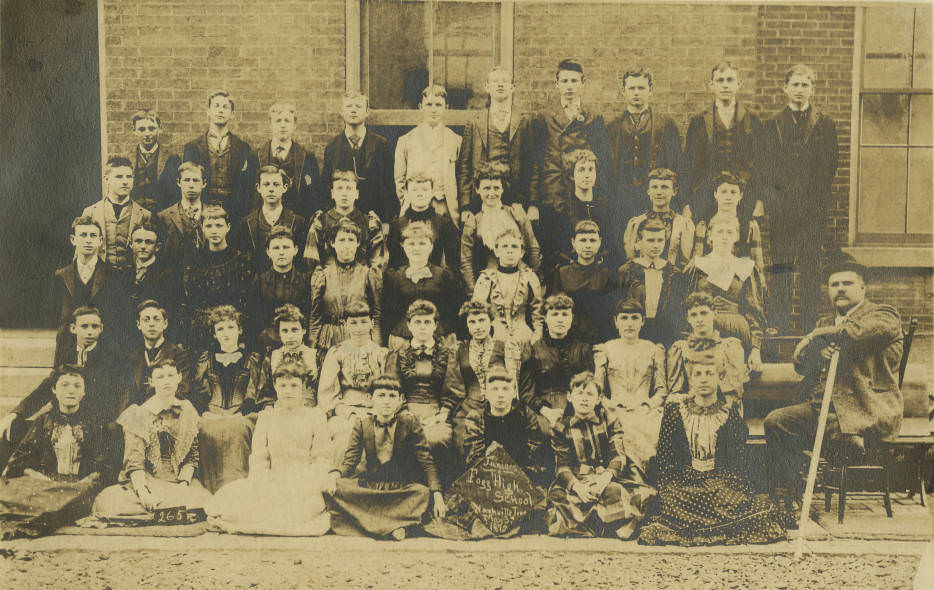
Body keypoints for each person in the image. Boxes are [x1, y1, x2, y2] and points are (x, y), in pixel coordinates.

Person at [764, 253, 904, 500]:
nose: (840, 289)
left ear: (863, 287)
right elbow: (801, 365)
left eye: (847, 284)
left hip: (867, 409)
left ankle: (841, 453)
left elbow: (856, 332)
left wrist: (814, 335)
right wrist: (818, 352)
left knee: (837, 433)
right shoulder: (827, 322)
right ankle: (798, 489)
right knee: (776, 421)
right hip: (824, 409)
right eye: (834, 285)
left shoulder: (884, 314)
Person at [639, 342, 786, 546]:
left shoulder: (728, 413)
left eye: (709, 373)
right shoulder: (676, 411)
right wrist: (669, 487)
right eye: (697, 374)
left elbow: (739, 460)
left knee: (745, 505)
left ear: (719, 378)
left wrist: (731, 487)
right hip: (685, 484)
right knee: (669, 500)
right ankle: (715, 525)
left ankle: (705, 524)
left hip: (718, 482)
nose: (703, 379)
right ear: (690, 378)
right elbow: (665, 457)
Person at [205, 360, 331, 536]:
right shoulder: (267, 417)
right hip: (273, 480)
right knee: (233, 504)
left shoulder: (315, 416)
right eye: (283, 385)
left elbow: (322, 457)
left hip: (304, 483)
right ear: (275, 386)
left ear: (303, 386)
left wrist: (312, 482)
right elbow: (259, 457)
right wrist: (261, 482)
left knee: (296, 514)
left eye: (294, 385)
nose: (288, 390)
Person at [0, 306, 131, 472]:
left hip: (94, 422)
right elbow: (47, 388)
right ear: (73, 328)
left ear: (101, 329)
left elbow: (120, 394)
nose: (90, 332)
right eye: (84, 327)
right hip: (62, 416)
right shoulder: (66, 353)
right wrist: (16, 413)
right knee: (11, 428)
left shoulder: (110, 358)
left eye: (94, 327)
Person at [762, 64, 839, 335]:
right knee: (781, 270)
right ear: (785, 89)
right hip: (781, 212)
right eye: (794, 84)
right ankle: (778, 327)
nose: (799, 90)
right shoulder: (771, 124)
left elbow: (830, 168)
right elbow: (765, 168)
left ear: (812, 90)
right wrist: (773, 204)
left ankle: (809, 328)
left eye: (805, 85)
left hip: (811, 214)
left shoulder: (825, 124)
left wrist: (816, 206)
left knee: (810, 272)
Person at [91, 358, 211, 523]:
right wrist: (143, 492)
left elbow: (192, 455)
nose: (166, 381)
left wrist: (183, 484)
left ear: (179, 377)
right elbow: (134, 461)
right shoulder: (138, 414)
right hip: (147, 481)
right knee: (109, 502)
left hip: (178, 482)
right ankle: (169, 512)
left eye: (170, 375)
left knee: (205, 499)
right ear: (151, 382)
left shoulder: (187, 410)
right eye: (160, 377)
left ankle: (160, 513)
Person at [327, 375, 446, 539]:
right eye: (381, 396)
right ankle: (397, 528)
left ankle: (371, 526)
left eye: (392, 396)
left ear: (400, 400)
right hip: (371, 488)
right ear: (370, 399)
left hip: (400, 490)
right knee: (338, 488)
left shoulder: (410, 423)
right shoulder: (362, 424)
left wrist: (437, 494)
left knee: (423, 493)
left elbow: (426, 462)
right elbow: (350, 460)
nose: (387, 401)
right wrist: (335, 474)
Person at [436, 365, 546, 539]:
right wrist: (490, 458)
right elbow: (472, 460)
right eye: (494, 389)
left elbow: (534, 454)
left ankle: (495, 521)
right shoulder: (476, 417)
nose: (500, 394)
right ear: (486, 393)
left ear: (514, 392)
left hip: (519, 479)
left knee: (539, 503)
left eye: (505, 389)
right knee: (467, 502)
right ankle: (499, 522)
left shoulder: (526, 415)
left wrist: (506, 460)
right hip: (487, 481)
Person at [546, 371, 654, 539]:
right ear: (569, 397)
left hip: (604, 477)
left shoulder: (608, 421)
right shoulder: (561, 427)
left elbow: (618, 456)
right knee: (560, 499)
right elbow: (562, 466)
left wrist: (603, 480)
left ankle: (598, 524)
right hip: (578, 479)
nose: (584, 399)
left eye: (590, 394)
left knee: (620, 492)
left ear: (598, 399)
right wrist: (577, 487)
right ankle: (609, 525)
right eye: (579, 393)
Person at [193, 305, 266, 494]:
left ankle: (239, 491)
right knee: (204, 428)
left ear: (239, 330)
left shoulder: (251, 359)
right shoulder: (206, 359)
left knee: (238, 428)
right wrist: (207, 412)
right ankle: (211, 490)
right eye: (220, 329)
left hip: (241, 414)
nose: (226, 333)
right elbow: (199, 392)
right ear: (214, 334)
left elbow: (254, 392)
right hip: (211, 414)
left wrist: (242, 412)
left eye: (231, 327)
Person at [533, 59, 613, 231]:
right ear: (557, 84)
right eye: (564, 81)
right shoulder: (545, 118)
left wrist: (600, 194)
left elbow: (603, 160)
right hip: (553, 191)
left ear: (583, 83)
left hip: (582, 193)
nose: (569, 86)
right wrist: (533, 201)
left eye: (574, 81)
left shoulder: (593, 117)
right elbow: (536, 162)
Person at [385, 300, 456, 485]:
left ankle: (435, 489)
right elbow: (391, 388)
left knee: (436, 437)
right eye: (417, 322)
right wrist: (406, 414)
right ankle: (407, 489)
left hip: (436, 413)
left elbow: (452, 390)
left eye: (427, 322)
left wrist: (441, 416)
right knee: (400, 437)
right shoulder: (398, 354)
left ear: (435, 325)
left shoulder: (447, 354)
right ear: (409, 325)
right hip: (404, 412)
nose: (422, 327)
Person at [682, 61, 763, 222]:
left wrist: (759, 200)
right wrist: (687, 202)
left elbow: (761, 162)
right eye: (720, 80)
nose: (725, 85)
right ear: (711, 85)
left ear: (739, 84)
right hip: (705, 194)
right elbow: (689, 163)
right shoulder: (699, 120)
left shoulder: (752, 119)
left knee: (741, 240)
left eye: (730, 80)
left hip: (743, 194)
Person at [594, 299, 667, 474]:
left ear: (642, 321)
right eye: (624, 318)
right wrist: (609, 405)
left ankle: (645, 479)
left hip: (645, 411)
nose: (629, 323)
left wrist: (648, 405)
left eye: (635, 318)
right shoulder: (605, 349)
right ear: (616, 322)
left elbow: (662, 389)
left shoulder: (653, 349)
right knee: (619, 429)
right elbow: (597, 390)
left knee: (653, 430)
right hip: (614, 410)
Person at [683, 214, 765, 369]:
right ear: (710, 236)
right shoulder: (697, 266)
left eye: (730, 232)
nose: (724, 237)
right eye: (720, 232)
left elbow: (753, 311)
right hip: (703, 331)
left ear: (736, 237)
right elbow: (686, 307)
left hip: (737, 332)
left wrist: (755, 350)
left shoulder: (745, 267)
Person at [456, 67, 538, 213]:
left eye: (505, 81)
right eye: (495, 81)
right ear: (487, 87)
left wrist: (532, 204)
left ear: (512, 87)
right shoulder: (475, 122)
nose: (500, 85)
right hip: (482, 198)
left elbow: (533, 166)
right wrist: (465, 206)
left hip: (516, 200)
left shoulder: (524, 121)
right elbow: (464, 167)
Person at [446, 301, 522, 455]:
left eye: (482, 320)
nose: (478, 326)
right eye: (472, 322)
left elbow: (513, 384)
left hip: (499, 406)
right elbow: (455, 386)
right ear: (467, 326)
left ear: (491, 321)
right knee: (462, 440)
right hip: (469, 407)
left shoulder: (505, 346)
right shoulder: (460, 349)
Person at [317, 302, 388, 465]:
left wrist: (378, 410)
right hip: (344, 410)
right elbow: (327, 393)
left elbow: (388, 387)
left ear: (372, 323)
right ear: (345, 325)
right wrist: (344, 412)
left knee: (378, 434)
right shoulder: (337, 353)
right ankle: (342, 480)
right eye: (353, 323)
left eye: (364, 322)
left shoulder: (381, 354)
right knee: (345, 434)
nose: (359, 328)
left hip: (375, 410)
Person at [608, 67, 682, 224]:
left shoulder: (665, 125)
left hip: (655, 198)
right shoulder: (613, 127)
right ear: (623, 91)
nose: (636, 93)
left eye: (641, 88)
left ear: (650, 90)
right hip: (622, 199)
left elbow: (675, 165)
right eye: (631, 88)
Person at [460, 163, 541, 291]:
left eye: (496, 188)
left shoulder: (516, 213)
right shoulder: (473, 221)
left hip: (521, 279)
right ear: (477, 189)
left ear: (502, 189)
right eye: (486, 188)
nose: (492, 193)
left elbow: (533, 247)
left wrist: (533, 282)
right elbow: (466, 261)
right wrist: (474, 291)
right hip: (490, 283)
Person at [181, 206, 253, 350]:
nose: (214, 231)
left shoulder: (241, 260)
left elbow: (247, 302)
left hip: (232, 331)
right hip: (202, 331)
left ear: (228, 227)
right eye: (209, 226)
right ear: (202, 228)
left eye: (219, 225)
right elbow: (190, 301)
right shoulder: (194, 261)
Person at [51, 216, 130, 347]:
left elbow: (118, 317)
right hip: (67, 347)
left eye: (93, 236)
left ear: (100, 240)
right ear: (73, 239)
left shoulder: (114, 275)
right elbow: (55, 313)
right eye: (83, 235)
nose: (88, 240)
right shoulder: (61, 276)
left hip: (104, 348)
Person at [524, 294, 594, 439]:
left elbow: (590, 386)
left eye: (565, 314)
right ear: (545, 318)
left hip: (578, 408)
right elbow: (527, 392)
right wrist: (546, 411)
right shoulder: (534, 350)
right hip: (544, 410)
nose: (560, 319)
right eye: (554, 314)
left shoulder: (583, 349)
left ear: (572, 318)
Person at [382, 224, 462, 349]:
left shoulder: (444, 275)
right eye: (411, 244)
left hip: (439, 339)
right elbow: (389, 315)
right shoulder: (394, 277)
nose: (416, 248)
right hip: (403, 340)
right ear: (403, 246)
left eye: (422, 243)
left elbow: (452, 312)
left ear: (431, 246)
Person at [183, 90, 257, 224]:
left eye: (225, 107)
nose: (220, 110)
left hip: (234, 212)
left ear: (232, 114)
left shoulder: (243, 148)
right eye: (216, 106)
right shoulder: (192, 148)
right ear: (208, 112)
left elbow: (247, 186)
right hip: (202, 210)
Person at [308, 218, 383, 351]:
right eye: (341, 240)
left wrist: (376, 346)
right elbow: (315, 316)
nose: (346, 245)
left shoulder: (368, 274)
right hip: (329, 339)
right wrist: (312, 348)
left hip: (360, 337)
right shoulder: (322, 275)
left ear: (358, 243)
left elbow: (376, 316)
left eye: (351, 240)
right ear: (333, 243)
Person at [321, 93, 396, 221]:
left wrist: (386, 219)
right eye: (349, 106)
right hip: (343, 220)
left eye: (358, 106)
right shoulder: (333, 147)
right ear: (342, 112)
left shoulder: (381, 145)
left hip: (374, 217)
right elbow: (327, 188)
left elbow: (389, 186)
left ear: (367, 112)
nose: (353, 110)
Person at [394, 85, 462, 225]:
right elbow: (399, 179)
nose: (433, 109)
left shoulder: (455, 140)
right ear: (420, 106)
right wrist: (409, 200)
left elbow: (462, 177)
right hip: (416, 206)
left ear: (446, 107)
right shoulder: (406, 140)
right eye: (429, 104)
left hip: (447, 207)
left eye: (438, 105)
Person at [617, 217, 686, 347]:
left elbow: (677, 310)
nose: (656, 245)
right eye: (650, 240)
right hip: (635, 333)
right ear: (639, 241)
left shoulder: (673, 272)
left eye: (660, 240)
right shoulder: (627, 271)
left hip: (665, 334)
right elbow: (620, 305)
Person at [667, 292, 748, 401]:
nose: (699, 319)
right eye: (694, 315)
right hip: (691, 408)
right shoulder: (681, 349)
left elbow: (733, 392)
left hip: (724, 407)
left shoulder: (729, 347)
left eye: (704, 313)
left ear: (714, 314)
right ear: (688, 319)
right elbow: (676, 391)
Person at [471, 228, 544, 347]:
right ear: (496, 251)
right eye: (504, 246)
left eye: (514, 246)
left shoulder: (530, 277)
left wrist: (537, 336)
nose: (509, 251)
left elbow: (538, 313)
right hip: (494, 337)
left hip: (524, 337)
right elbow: (476, 312)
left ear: (521, 252)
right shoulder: (486, 278)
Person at [691, 171, 766, 283]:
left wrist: (761, 281)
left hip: (739, 280)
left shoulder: (749, 226)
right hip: (710, 279)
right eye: (723, 192)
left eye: (733, 192)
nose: (728, 197)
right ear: (715, 194)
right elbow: (697, 258)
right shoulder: (704, 225)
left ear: (740, 195)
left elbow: (757, 260)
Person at [303, 169, 384, 271]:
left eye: (349, 188)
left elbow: (378, 261)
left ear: (357, 193)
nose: (344, 193)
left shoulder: (369, 222)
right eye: (339, 188)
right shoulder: (320, 222)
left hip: (361, 280)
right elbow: (311, 258)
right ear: (332, 193)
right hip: (329, 280)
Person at [83, 157, 154, 271]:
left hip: (130, 278)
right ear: (107, 180)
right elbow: (80, 252)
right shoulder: (91, 212)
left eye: (129, 177)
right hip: (100, 276)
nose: (125, 181)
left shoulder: (144, 215)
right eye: (119, 177)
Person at [245, 226, 310, 350]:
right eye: (276, 248)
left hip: (298, 342)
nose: (281, 252)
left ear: (295, 250)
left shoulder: (305, 280)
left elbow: (308, 315)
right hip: (267, 343)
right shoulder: (260, 281)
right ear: (268, 252)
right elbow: (254, 318)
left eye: (286, 247)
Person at [550, 149, 617, 269]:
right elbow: (558, 247)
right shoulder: (563, 207)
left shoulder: (604, 206)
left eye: (591, 169)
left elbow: (610, 242)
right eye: (581, 170)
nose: (587, 175)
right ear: (572, 175)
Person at [550, 220, 615, 344]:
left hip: (600, 336)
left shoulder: (606, 274)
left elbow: (609, 313)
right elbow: (554, 309)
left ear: (600, 242)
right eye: (583, 240)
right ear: (573, 242)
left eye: (592, 240)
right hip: (569, 336)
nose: (588, 245)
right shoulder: (561, 273)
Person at [251, 102, 320, 218]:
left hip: (297, 224)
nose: (282, 125)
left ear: (294, 125)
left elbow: (314, 197)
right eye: (278, 121)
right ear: (270, 125)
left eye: (287, 121)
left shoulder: (307, 158)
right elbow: (250, 198)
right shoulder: (256, 157)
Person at [235, 166, 307, 273]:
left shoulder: (298, 222)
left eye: (276, 184)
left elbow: (301, 263)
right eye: (266, 184)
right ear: (258, 188)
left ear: (285, 187)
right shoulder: (246, 223)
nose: (271, 189)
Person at [622, 168, 695, 267]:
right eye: (654, 187)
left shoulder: (683, 224)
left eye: (664, 187)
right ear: (648, 191)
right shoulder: (637, 223)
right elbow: (631, 260)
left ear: (674, 191)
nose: (659, 192)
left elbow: (685, 262)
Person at [126, 300, 192, 407]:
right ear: (139, 325)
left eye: (156, 319)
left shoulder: (179, 355)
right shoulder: (133, 356)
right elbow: (127, 395)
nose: (151, 324)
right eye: (146, 320)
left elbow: (182, 392)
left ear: (165, 324)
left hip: (168, 414)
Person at [386, 174, 459, 270]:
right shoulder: (397, 225)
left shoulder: (444, 224)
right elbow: (393, 264)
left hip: (435, 280)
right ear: (406, 193)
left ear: (432, 192)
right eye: (414, 190)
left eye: (425, 189)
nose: (419, 194)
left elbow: (453, 264)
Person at [259, 304, 318, 404]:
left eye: (294, 330)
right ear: (279, 333)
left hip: (308, 407)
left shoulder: (315, 356)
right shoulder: (273, 356)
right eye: (285, 331)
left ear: (303, 330)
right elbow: (266, 390)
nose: (290, 336)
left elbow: (322, 389)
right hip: (281, 407)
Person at [128, 109, 181, 213]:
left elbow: (177, 193)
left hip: (163, 214)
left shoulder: (172, 158)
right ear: (134, 131)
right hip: (135, 215)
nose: (147, 133)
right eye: (142, 129)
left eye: (151, 128)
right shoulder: (128, 158)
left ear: (160, 129)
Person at [158, 161, 206, 267]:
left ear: (204, 183)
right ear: (178, 182)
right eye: (187, 180)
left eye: (196, 180)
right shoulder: (164, 217)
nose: (191, 185)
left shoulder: (213, 214)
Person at [124, 223, 174, 319]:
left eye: (148, 242)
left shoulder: (167, 275)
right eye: (138, 241)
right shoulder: (124, 273)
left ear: (157, 247)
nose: (143, 246)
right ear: (131, 244)